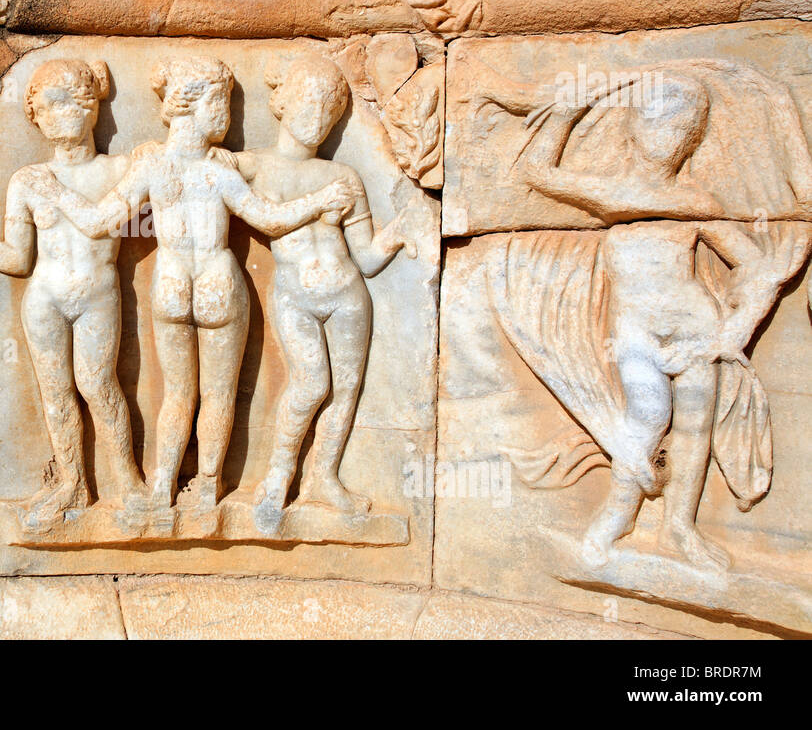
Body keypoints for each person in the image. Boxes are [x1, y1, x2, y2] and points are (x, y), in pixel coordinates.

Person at [475, 59, 812, 570]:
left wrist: (733, 330)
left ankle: (680, 528)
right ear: (635, 126)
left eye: (684, 128)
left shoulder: (696, 197)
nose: (671, 137)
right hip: (634, 332)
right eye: (659, 121)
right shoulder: (612, 190)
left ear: (694, 138)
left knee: (695, 427)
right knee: (648, 415)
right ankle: (618, 515)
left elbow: (755, 265)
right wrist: (565, 113)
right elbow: (535, 173)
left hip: (696, 327)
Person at [28, 55, 357, 515]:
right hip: (217, 282)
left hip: (171, 283)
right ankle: (207, 484)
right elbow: (268, 219)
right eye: (220, 100)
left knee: (178, 395)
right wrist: (321, 200)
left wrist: (57, 192)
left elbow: (100, 221)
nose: (225, 111)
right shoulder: (218, 171)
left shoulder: (151, 166)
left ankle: (163, 484)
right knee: (217, 394)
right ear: (192, 103)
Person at [0, 59, 145, 529]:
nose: (61, 114)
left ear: (92, 105)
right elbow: (19, 260)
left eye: (72, 101)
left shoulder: (118, 170)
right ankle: (73, 482)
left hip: (97, 294)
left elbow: (131, 221)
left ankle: (129, 482)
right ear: (35, 118)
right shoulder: (27, 180)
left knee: (97, 384)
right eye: (48, 107)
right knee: (55, 393)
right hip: (45, 299)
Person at [236, 54, 417, 529]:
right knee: (312, 383)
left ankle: (325, 477)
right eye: (309, 105)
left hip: (348, 293)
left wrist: (400, 231)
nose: (317, 120)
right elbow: (254, 212)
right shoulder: (254, 167)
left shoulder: (344, 178)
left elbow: (369, 259)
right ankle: (278, 477)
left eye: (329, 113)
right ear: (283, 102)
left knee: (347, 389)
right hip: (295, 295)